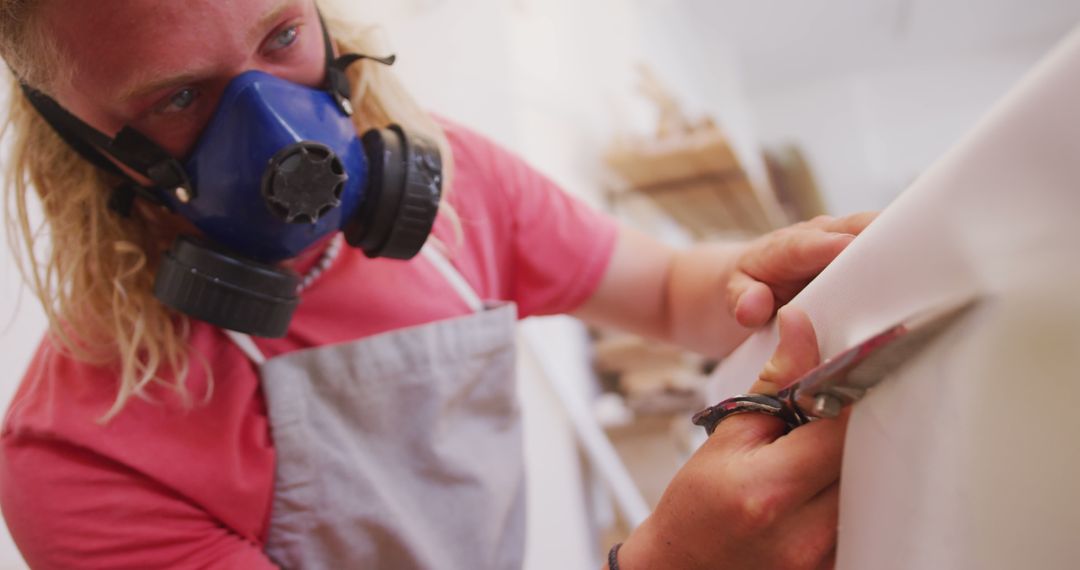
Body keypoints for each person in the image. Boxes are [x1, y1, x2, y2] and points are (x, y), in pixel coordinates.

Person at [0, 1, 872, 568]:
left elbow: (673, 293)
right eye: (180, 97)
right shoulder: (80, 452)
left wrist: (769, 272)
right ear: (77, 135)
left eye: (281, 38)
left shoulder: (460, 185)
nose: (272, 126)